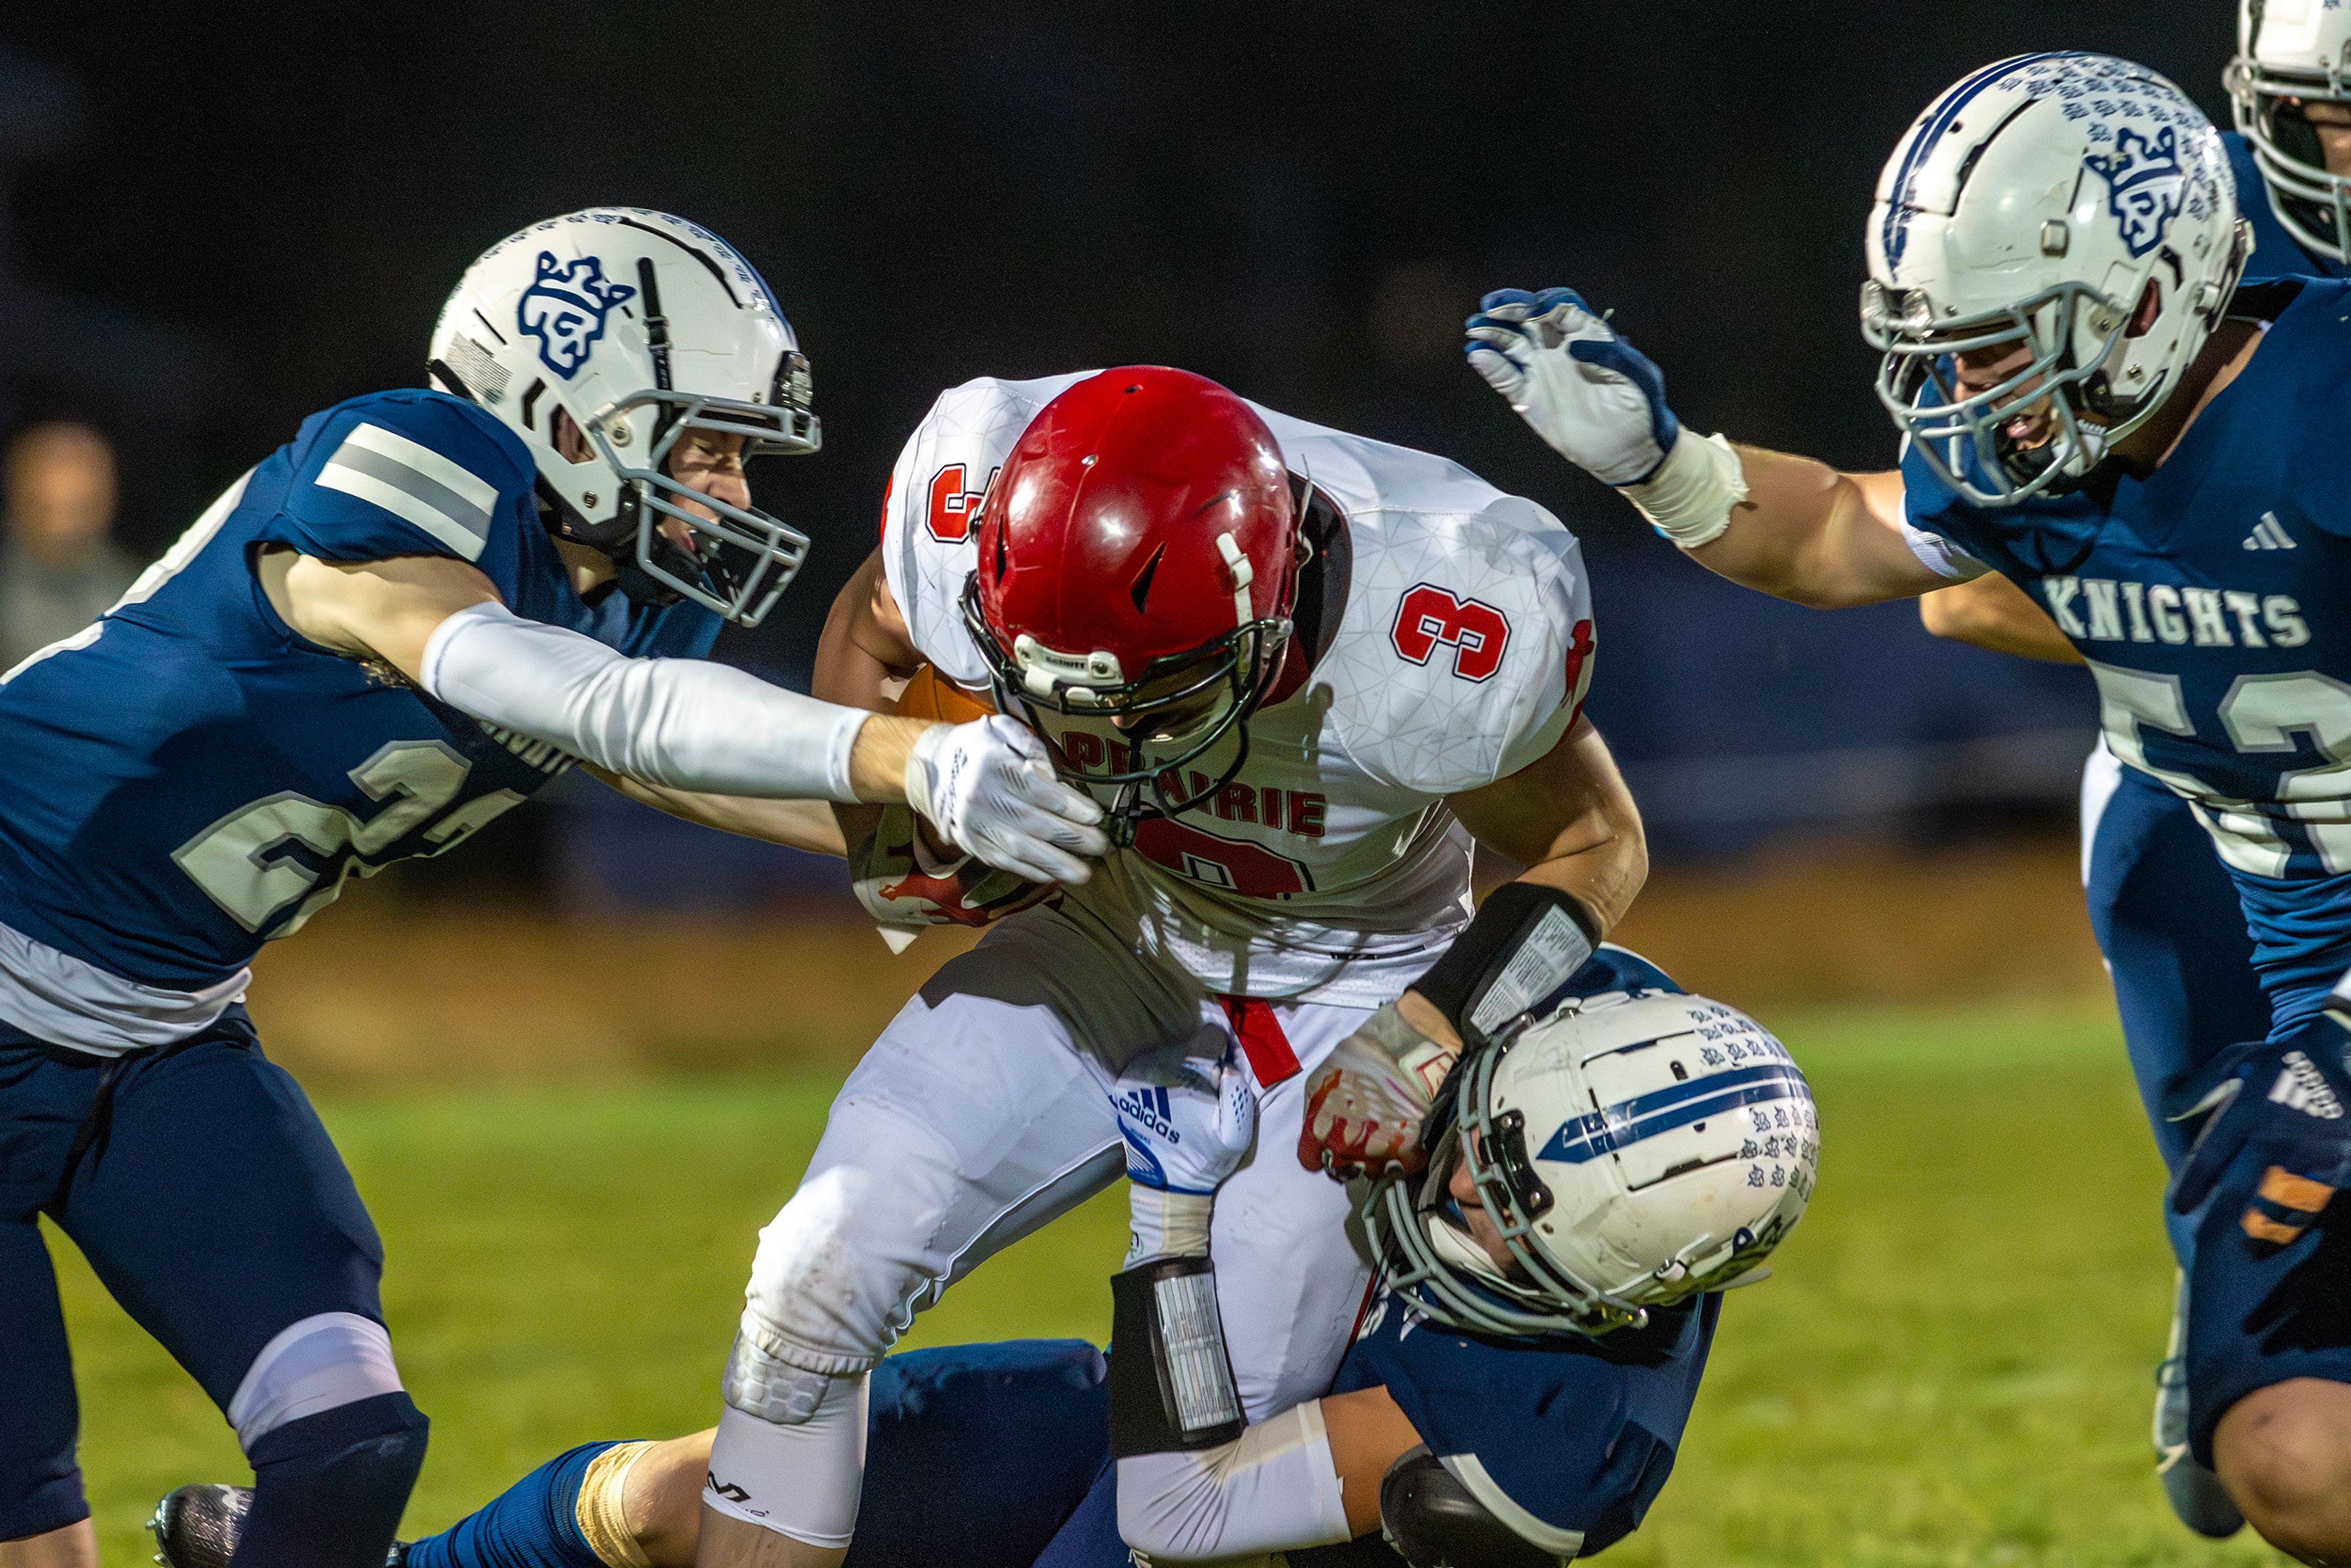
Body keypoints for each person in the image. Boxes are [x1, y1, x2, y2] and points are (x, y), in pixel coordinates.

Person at [0, 209, 1108, 1568]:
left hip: (162, 1026)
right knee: (37, 1533)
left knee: (348, 1439)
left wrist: (968, 848)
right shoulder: (410, 461)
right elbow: (567, 695)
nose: (736, 494)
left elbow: (668, 763)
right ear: (566, 408)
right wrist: (904, 753)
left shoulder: (621, 592)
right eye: (705, 445)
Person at [1467, 51, 2351, 1565]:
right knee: (2278, 1461)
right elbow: (1830, 532)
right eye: (1945, 353)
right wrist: (1663, 468)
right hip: (2293, 1011)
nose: (1962, 398)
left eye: (1999, 348)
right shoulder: (2042, 460)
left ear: (2146, 302)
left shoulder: (2324, 415)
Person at [694, 364, 1644, 1567]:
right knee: (811, 1274)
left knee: (1203, 1471)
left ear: (1269, 618)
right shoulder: (972, 480)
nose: (1103, 739)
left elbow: (1598, 840)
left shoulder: (1448, 612)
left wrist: (1426, 1025)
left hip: (1344, 985)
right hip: (1110, 925)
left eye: (1150, 698)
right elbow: (875, 623)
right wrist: (891, 830)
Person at [152, 947, 1817, 1568]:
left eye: (1477, 1216)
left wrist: (1172, 1219)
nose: (1427, 1195)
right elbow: (1555, 890)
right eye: (1463, 1154)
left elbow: (1194, 1509)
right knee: (693, 1502)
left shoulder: (1548, 1452)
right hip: (1166, 1403)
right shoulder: (1583, 1013)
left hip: (1254, 1517)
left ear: (1609, 1296)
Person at [1908, 5, 2351, 1539]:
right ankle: (2225, 1296)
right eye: (2322, 118)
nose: (2342, 158)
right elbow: (1962, 575)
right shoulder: (2202, 226)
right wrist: (2220, 625)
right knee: (2254, 1159)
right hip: (2220, 779)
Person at [0, 422, 140, 670]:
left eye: (80, 508)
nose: (63, 530)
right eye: (45, 508)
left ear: (108, 501)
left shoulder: (138, 596)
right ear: (18, 498)